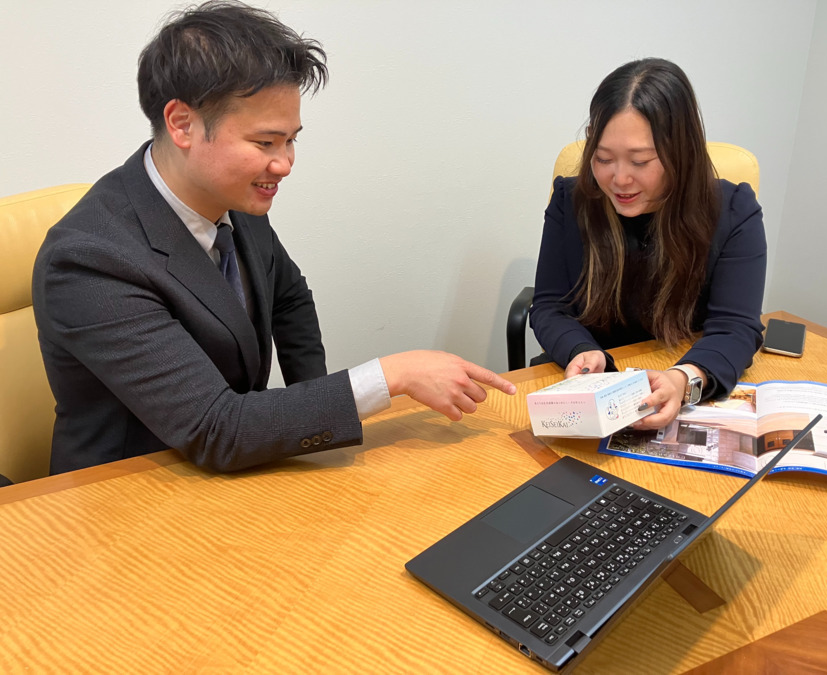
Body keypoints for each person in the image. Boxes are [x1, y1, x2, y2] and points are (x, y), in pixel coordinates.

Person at [32, 0, 515, 475]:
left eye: (291, 140)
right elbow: (216, 427)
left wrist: (320, 414)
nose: (284, 164)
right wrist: (389, 377)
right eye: (265, 142)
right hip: (126, 498)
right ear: (182, 123)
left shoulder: (235, 196)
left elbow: (288, 299)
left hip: (229, 469)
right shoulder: (90, 259)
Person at [530, 58, 765, 429]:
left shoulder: (733, 211)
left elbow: (736, 327)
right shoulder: (571, 200)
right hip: (593, 388)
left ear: (681, 151)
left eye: (640, 161)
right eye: (603, 158)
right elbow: (549, 306)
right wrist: (582, 350)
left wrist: (685, 378)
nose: (619, 179)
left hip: (682, 373)